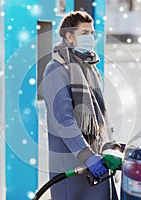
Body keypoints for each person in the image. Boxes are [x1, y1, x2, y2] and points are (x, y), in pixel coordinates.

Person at [41, 11, 118, 200]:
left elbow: (100, 114)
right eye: (85, 33)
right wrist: (87, 156)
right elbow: (64, 120)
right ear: (70, 37)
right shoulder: (56, 69)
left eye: (92, 33)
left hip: (96, 162)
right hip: (71, 164)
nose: (91, 38)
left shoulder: (89, 67)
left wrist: (110, 147)